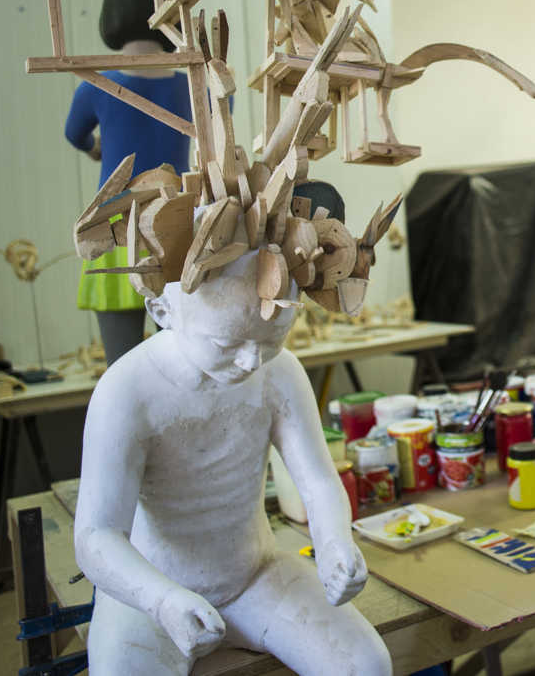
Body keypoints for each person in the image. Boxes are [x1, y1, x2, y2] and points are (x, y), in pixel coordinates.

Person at [73, 245, 390, 675]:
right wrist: (161, 599)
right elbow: (96, 536)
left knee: (366, 667)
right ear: (163, 310)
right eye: (226, 342)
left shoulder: (279, 372)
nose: (249, 361)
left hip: (256, 575)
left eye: (271, 341)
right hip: (152, 590)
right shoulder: (126, 391)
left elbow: (317, 481)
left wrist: (335, 544)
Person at [64, 0, 198, 365]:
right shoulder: (193, 87)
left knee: (120, 367)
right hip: (174, 228)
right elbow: (218, 120)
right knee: (182, 361)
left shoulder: (96, 87)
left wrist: (95, 149)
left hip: (114, 226)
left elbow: (75, 133)